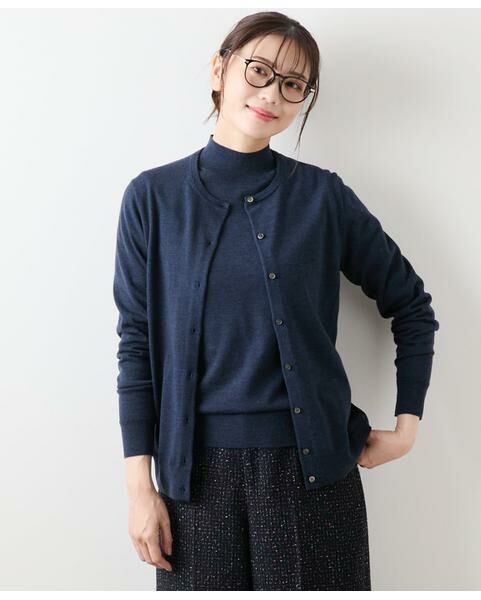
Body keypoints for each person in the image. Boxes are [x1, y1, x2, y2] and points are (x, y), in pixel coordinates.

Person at [112, 11, 439, 591]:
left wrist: (407, 426)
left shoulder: (322, 197)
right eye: (258, 70)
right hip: (193, 481)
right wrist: (141, 489)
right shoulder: (152, 199)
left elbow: (412, 306)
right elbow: (136, 346)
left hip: (312, 475)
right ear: (219, 69)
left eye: (293, 84)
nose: (271, 94)